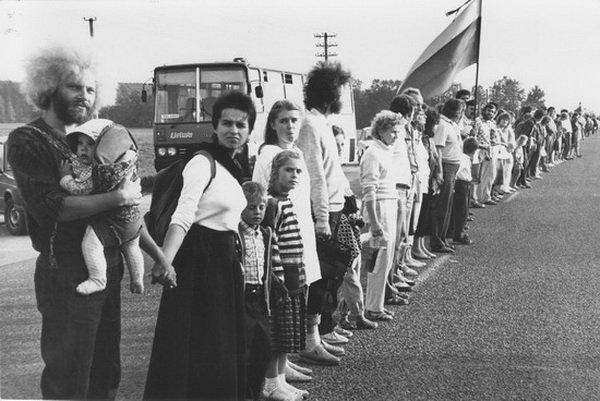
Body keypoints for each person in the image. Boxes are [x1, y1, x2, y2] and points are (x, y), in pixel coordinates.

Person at [7, 46, 170, 399]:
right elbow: (52, 209)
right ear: (49, 87)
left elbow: (124, 217)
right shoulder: (28, 140)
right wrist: (118, 196)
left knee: (105, 371)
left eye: (91, 89)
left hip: (109, 266)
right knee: (70, 376)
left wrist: (159, 255)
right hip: (64, 270)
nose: (85, 96)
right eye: (74, 87)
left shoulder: (95, 139)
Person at [144, 91, 255, 400]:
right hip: (198, 265)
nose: (233, 130)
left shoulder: (234, 168)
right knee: (198, 349)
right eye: (226, 123)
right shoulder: (202, 162)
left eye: (241, 125)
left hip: (224, 264)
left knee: (219, 349)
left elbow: (228, 218)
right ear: (215, 127)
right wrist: (164, 261)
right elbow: (184, 214)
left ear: (249, 130)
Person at [251, 101, 330, 373]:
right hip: (281, 234)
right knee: (282, 305)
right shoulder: (269, 154)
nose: (290, 126)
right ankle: (275, 370)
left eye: (295, 121)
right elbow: (262, 197)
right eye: (283, 120)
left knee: (298, 300)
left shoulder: (294, 152)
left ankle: (287, 363)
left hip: (301, 232)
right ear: (273, 124)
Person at [296, 62, 360, 364]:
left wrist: (348, 197)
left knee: (332, 274)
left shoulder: (322, 121)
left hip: (335, 207)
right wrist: (322, 217)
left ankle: (319, 334)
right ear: (326, 93)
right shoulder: (310, 124)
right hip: (321, 211)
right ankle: (309, 341)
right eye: (338, 90)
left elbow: (334, 171)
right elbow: (315, 175)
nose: (341, 96)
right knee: (319, 278)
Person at [59, 119, 145, 295]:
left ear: (102, 147)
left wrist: (65, 178)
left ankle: (97, 279)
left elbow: (80, 189)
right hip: (133, 220)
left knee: (91, 243)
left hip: (113, 220)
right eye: (80, 144)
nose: (83, 148)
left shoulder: (99, 170)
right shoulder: (126, 161)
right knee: (131, 247)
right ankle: (137, 280)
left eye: (90, 144)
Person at [262, 151, 310, 401]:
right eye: (288, 170)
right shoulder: (271, 203)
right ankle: (270, 383)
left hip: (294, 274)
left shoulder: (286, 199)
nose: (294, 175)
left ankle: (280, 380)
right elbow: (271, 243)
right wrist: (277, 277)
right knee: (276, 333)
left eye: (297, 171)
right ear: (275, 172)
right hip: (281, 278)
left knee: (287, 333)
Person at [238, 181, 290, 401]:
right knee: (244, 349)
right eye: (251, 208)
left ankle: (258, 389)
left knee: (263, 347)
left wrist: (279, 287)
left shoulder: (266, 234)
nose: (257, 212)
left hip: (262, 297)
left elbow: (272, 267)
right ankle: (244, 393)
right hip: (242, 297)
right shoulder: (235, 233)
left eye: (261, 207)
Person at [361, 110, 405, 320]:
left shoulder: (386, 150)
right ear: (380, 131)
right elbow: (369, 190)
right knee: (377, 261)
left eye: (398, 132)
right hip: (379, 208)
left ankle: (376, 304)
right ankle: (372, 307)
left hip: (390, 204)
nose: (396, 136)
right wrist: (375, 222)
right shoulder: (372, 153)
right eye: (392, 131)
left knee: (386, 259)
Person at [429, 98, 466, 253]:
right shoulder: (443, 125)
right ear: (455, 112)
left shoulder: (452, 125)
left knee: (447, 206)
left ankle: (442, 239)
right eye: (460, 111)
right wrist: (439, 171)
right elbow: (437, 149)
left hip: (453, 167)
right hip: (445, 166)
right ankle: (437, 241)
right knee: (441, 206)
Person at [451, 137, 479, 245]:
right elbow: (457, 171)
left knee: (464, 209)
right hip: (461, 183)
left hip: (465, 184)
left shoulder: (465, 158)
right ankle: (459, 234)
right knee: (461, 210)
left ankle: (457, 231)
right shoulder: (464, 159)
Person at [471, 102, 499, 205]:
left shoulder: (492, 123)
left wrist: (494, 140)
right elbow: (473, 137)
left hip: (489, 150)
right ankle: (474, 199)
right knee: (477, 175)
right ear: (484, 110)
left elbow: (494, 138)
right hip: (478, 150)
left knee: (490, 175)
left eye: (492, 112)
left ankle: (486, 197)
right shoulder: (478, 121)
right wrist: (480, 145)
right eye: (488, 110)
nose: (490, 113)